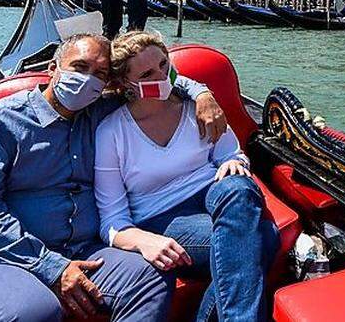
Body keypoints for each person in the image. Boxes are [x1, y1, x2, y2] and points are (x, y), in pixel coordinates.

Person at [0, 33, 228, 321]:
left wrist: (202, 93)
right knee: (33, 310)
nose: (88, 79)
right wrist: (51, 266)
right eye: (79, 67)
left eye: (100, 74)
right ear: (54, 69)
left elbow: (157, 80)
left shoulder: (101, 112)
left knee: (150, 277)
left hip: (83, 250)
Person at [96, 32, 280, 322]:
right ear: (126, 85)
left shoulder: (199, 108)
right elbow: (112, 219)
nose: (162, 75)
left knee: (239, 186)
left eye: (163, 64)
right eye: (147, 73)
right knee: (264, 238)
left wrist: (234, 163)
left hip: (215, 195)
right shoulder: (112, 133)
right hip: (161, 216)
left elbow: (231, 154)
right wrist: (143, 241)